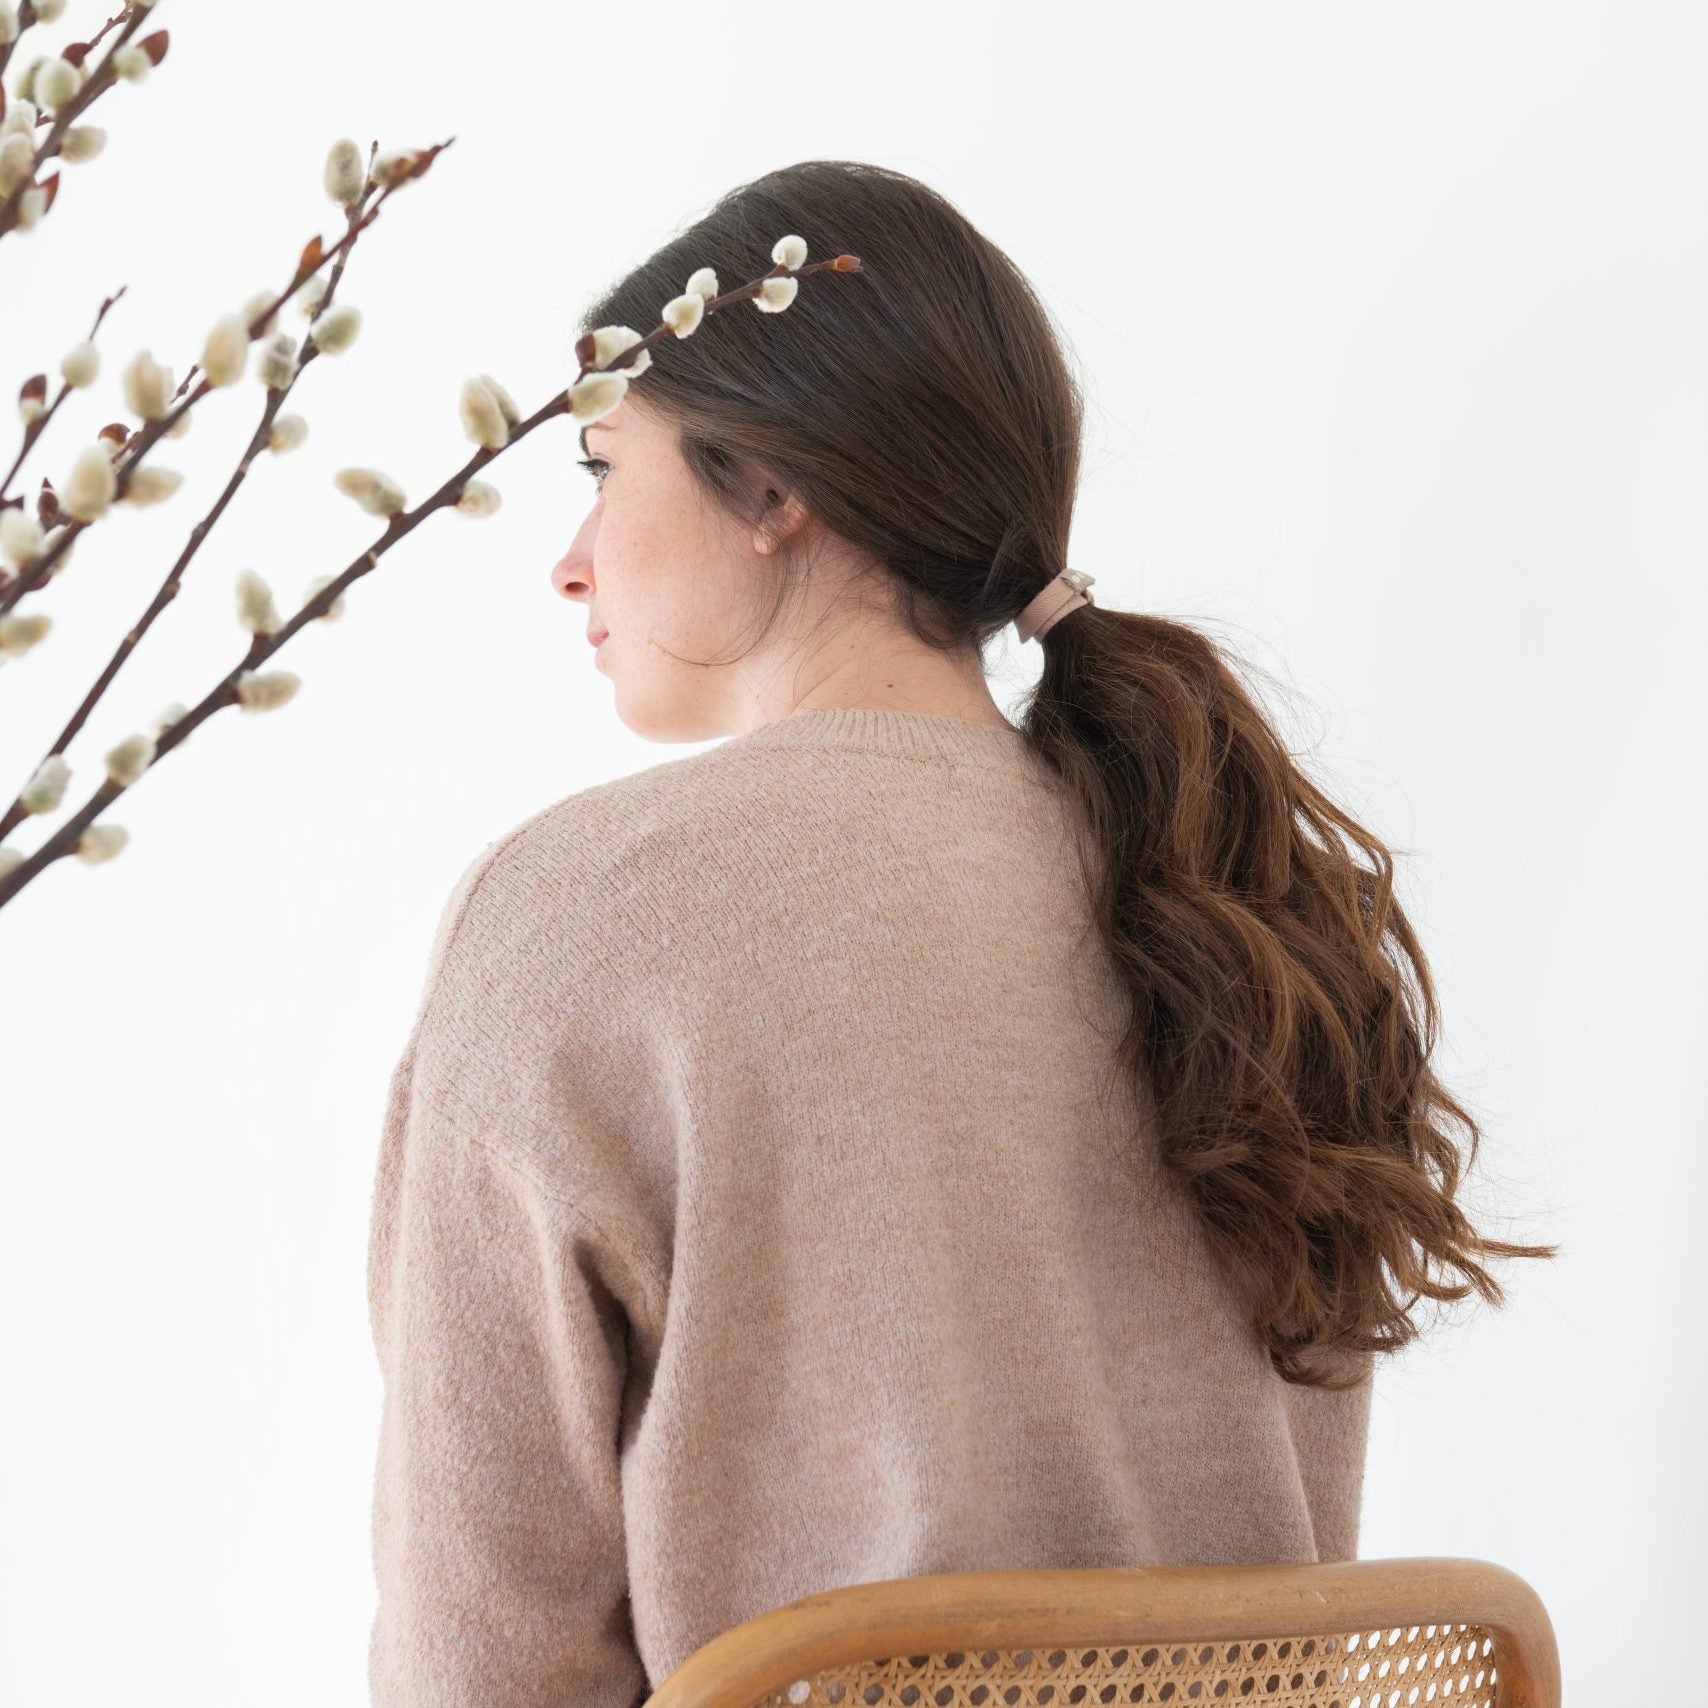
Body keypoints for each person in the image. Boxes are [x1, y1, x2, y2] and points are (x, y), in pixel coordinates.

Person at [365, 159, 1557, 1707]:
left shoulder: (580, 916)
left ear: (775, 490)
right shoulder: (1238, 892)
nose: (570, 558)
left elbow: (481, 1659)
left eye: (601, 465)